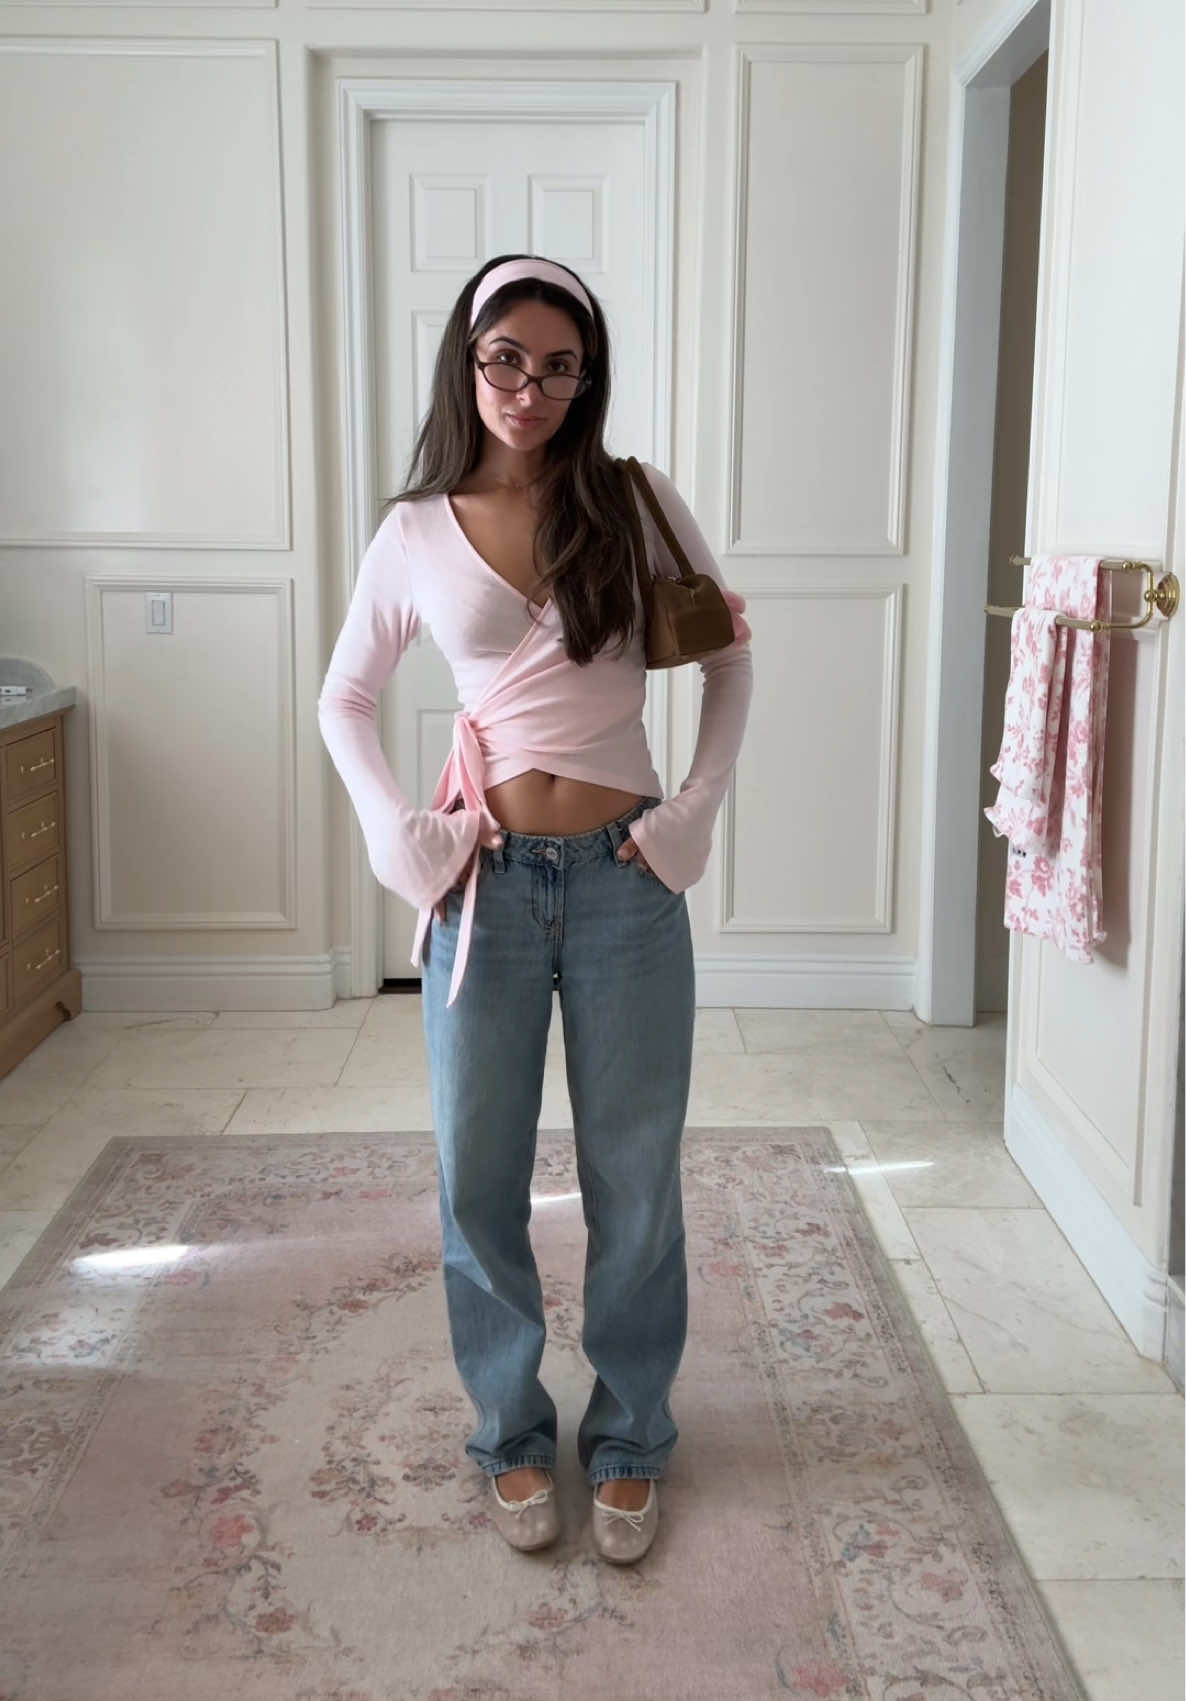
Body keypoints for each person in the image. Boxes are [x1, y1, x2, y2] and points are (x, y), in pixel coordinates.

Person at [318, 254, 753, 1565]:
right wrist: (399, 834)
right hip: (485, 887)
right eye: (506, 357)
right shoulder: (415, 529)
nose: (530, 386)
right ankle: (509, 1428)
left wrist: (690, 812)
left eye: (560, 366)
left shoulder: (632, 498)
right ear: (467, 362)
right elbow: (344, 699)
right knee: (478, 1174)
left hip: (627, 881)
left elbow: (728, 659)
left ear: (586, 378)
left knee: (635, 1174)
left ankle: (629, 1438)